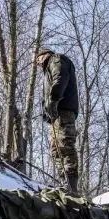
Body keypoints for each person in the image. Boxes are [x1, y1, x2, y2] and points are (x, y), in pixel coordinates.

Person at [37, 48, 79, 194]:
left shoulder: (56, 59)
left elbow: (61, 77)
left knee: (65, 147)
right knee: (56, 151)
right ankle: (64, 182)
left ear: (45, 55)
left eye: (38, 58)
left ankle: (71, 186)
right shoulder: (50, 66)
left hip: (63, 111)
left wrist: (53, 99)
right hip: (56, 114)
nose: (37, 63)